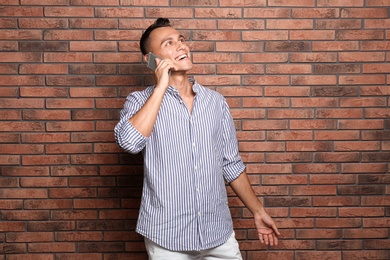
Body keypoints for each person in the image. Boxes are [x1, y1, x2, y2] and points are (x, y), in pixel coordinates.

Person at [114, 18, 280, 260]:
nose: (181, 46)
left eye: (181, 40)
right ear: (150, 59)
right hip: (166, 237)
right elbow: (129, 143)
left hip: (217, 234)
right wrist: (161, 85)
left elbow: (231, 163)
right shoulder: (139, 102)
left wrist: (258, 210)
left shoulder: (215, 102)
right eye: (169, 43)